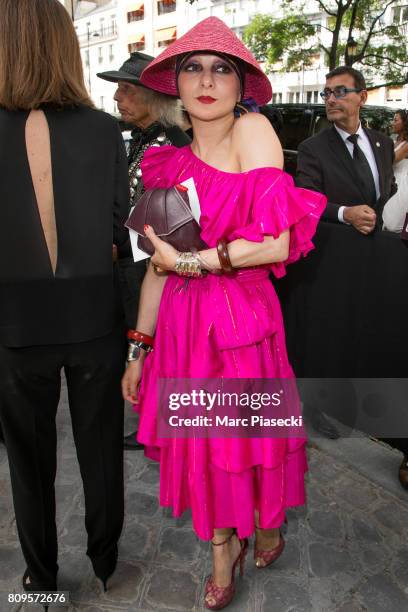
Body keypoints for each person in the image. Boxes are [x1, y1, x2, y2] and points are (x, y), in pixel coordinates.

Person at [121, 17, 326, 610]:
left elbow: (278, 244)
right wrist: (138, 347)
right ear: (175, 85)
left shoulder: (253, 132)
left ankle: (263, 520)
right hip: (182, 332)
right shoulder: (163, 168)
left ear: (242, 86)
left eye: (222, 69)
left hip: (243, 324)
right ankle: (219, 547)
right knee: (204, 443)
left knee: (247, 437)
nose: (206, 81)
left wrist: (193, 263)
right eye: (192, 68)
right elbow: (156, 268)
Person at [0, 0, 129, 597]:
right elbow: (117, 234)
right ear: (64, 45)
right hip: (93, 315)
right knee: (101, 447)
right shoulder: (105, 131)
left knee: (28, 463)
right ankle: (105, 564)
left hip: (15, 322)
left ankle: (42, 577)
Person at [98, 53, 190, 451]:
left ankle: (160, 424)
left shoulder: (172, 142)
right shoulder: (141, 136)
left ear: (153, 96)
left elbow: (178, 222)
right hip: (135, 264)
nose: (118, 97)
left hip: (155, 266)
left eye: (126, 88)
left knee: (154, 344)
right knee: (140, 341)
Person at [297, 66, 396, 235]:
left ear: (362, 97)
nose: (331, 100)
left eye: (340, 91)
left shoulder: (384, 144)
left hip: (381, 247)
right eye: (327, 93)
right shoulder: (312, 149)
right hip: (338, 248)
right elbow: (307, 200)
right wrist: (345, 213)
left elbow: (391, 190)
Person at [383, 109, 408, 233]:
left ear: (405, 123)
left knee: (392, 223)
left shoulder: (406, 145)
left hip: (400, 183)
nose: (392, 122)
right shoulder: (393, 140)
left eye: (395, 120)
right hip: (389, 181)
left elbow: (390, 160)